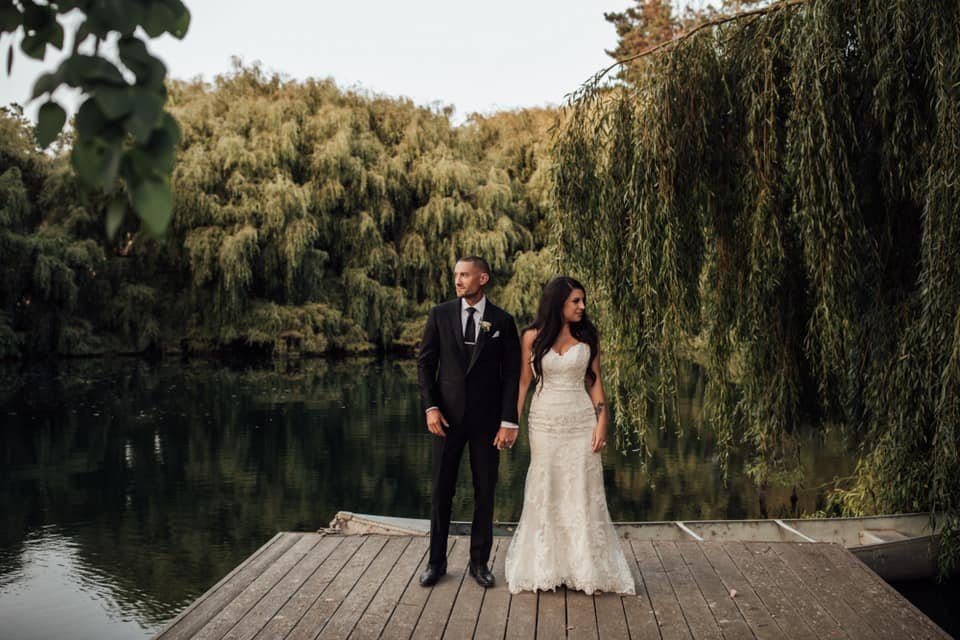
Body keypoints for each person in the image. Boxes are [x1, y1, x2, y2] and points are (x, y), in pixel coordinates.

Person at [504, 276, 635, 595]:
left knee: (581, 489)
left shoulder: (589, 337)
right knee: (546, 485)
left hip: (580, 421)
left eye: (582, 300)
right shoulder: (531, 337)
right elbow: (523, 383)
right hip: (545, 421)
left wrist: (602, 421)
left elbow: (595, 382)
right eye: (575, 301)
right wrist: (511, 422)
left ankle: (584, 567)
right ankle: (546, 566)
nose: (582, 306)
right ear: (557, 303)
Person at [416, 256, 521, 588]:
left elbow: (511, 376)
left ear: (483, 278)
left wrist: (509, 420)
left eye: (465, 275)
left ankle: (479, 563)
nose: (458, 280)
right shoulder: (440, 314)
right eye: (456, 275)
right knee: (440, 493)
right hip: (446, 420)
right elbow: (425, 365)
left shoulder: (502, 321)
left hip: (487, 422)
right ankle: (436, 563)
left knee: (485, 492)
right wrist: (431, 408)